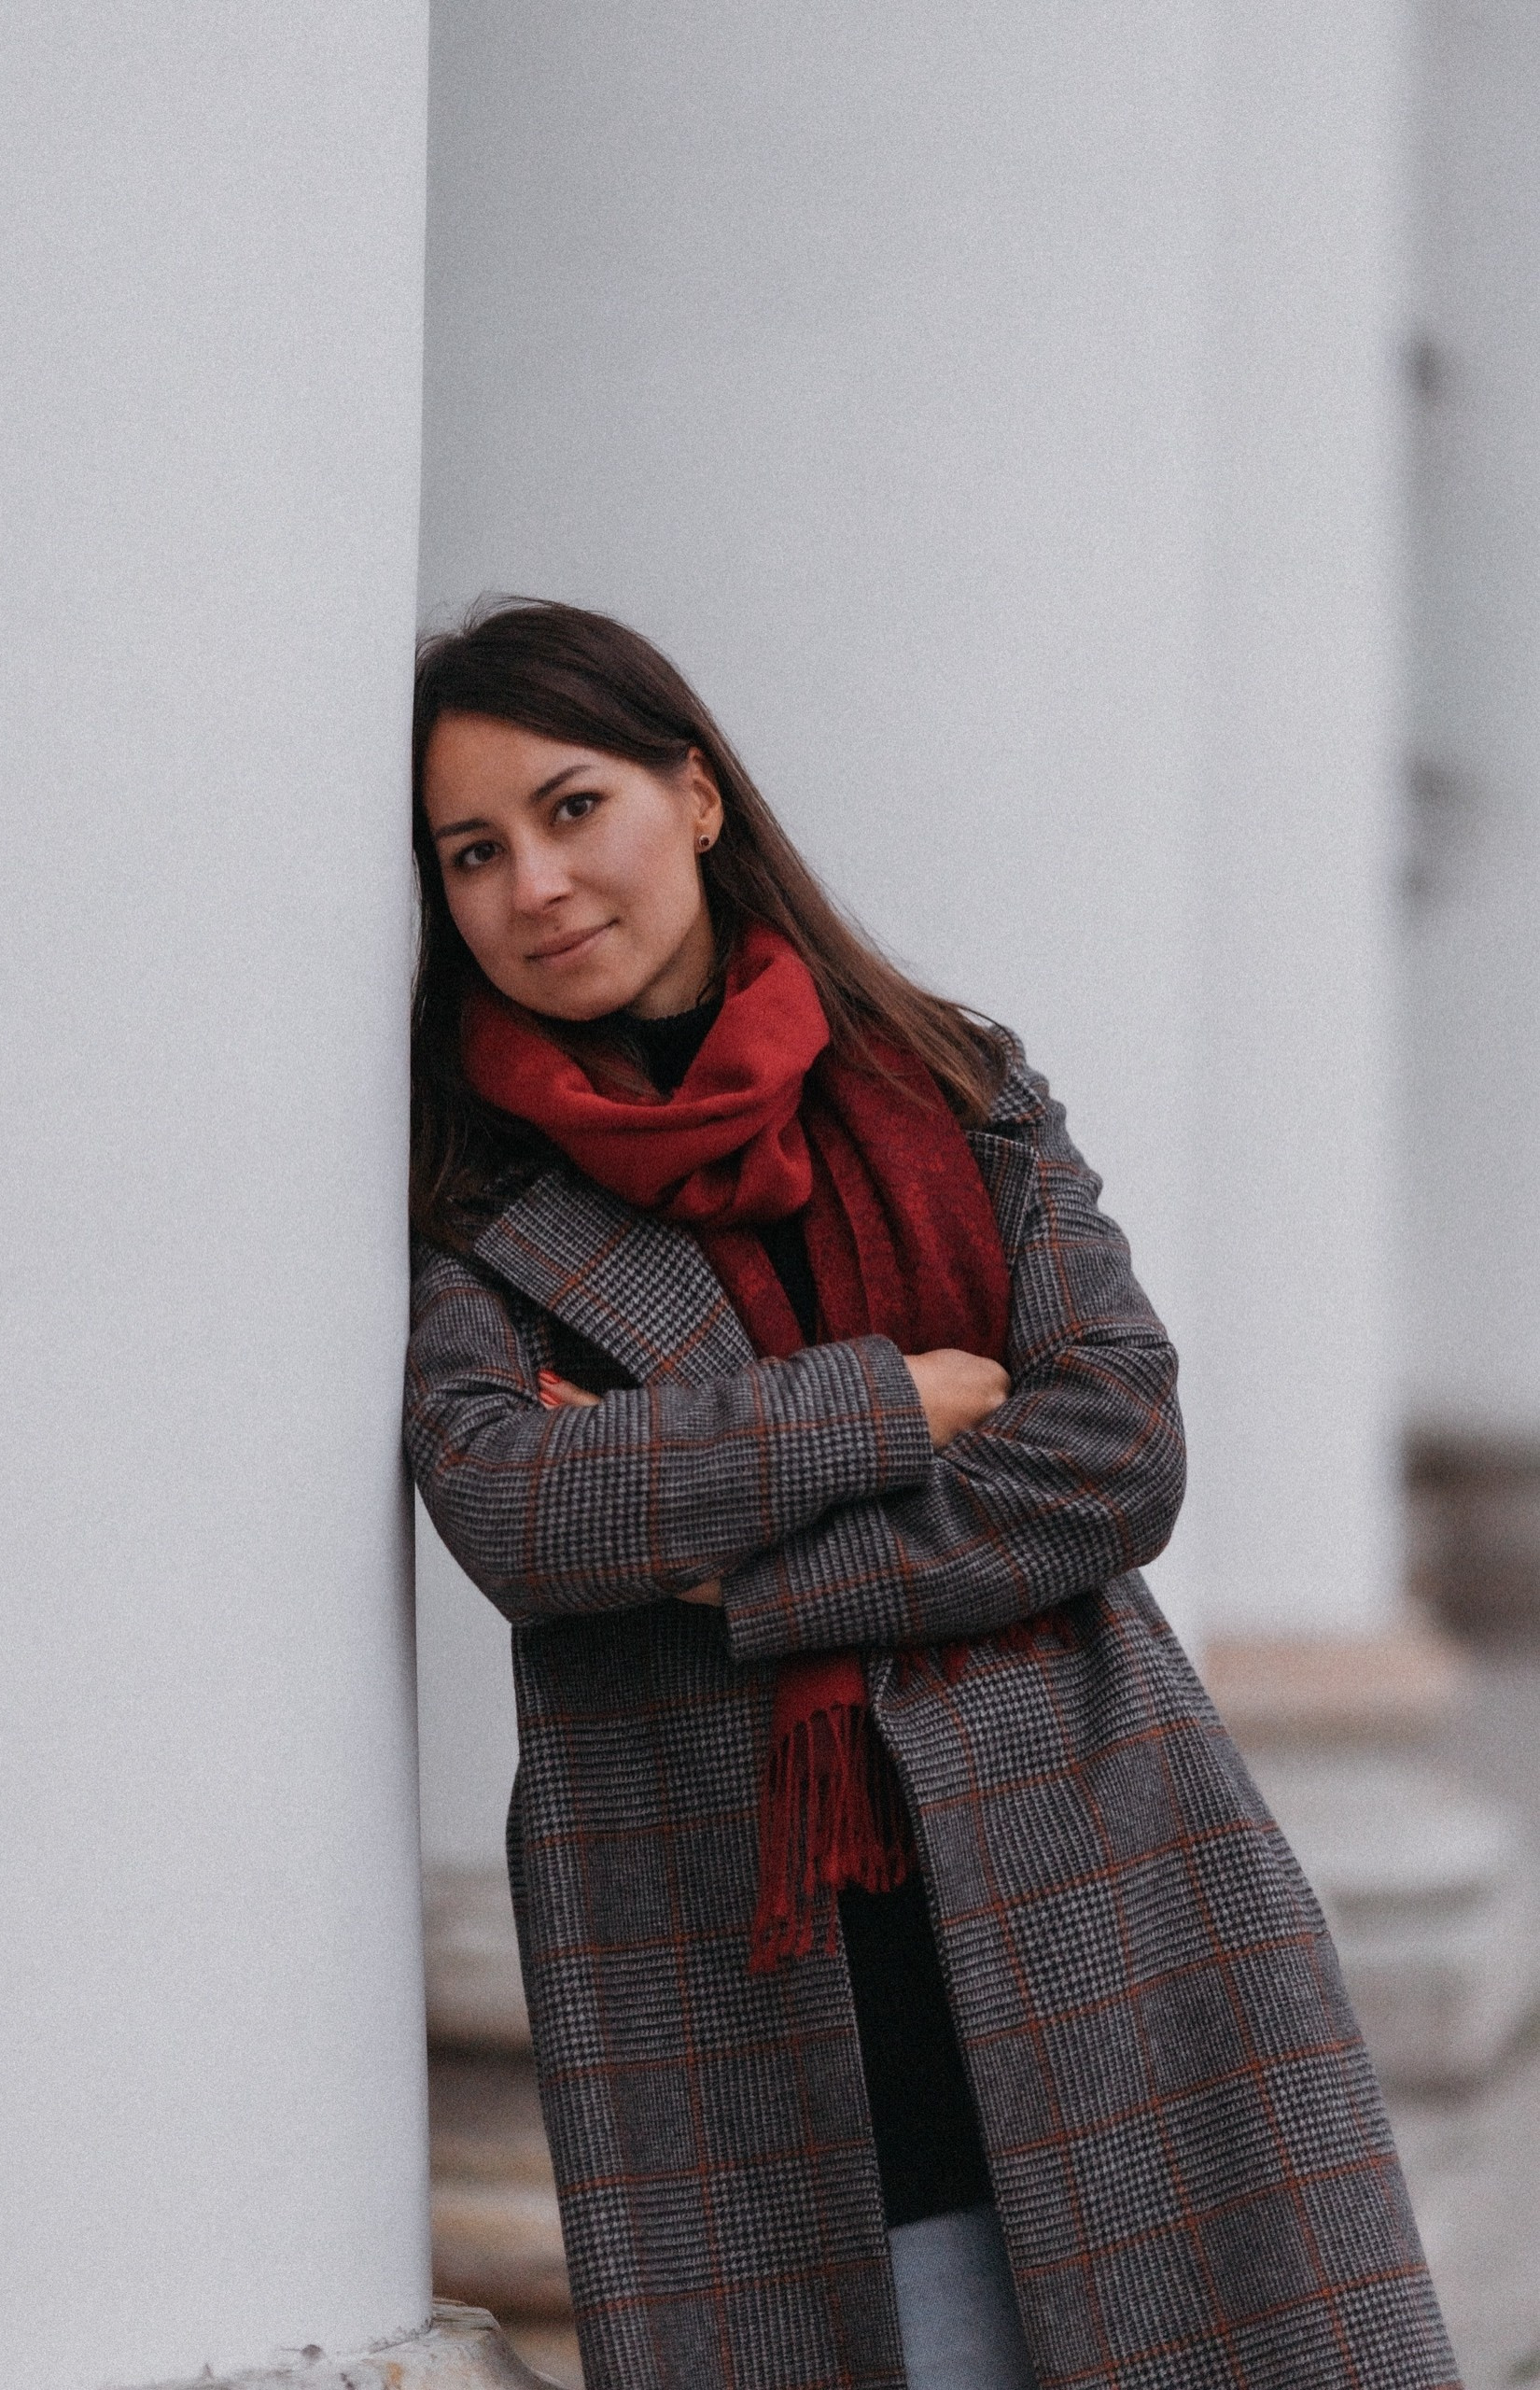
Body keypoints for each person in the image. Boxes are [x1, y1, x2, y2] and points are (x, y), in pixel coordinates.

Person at [403, 601, 1456, 2390]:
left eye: (573, 808)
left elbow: (1112, 1447)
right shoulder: (473, 1199)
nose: (536, 885)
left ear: (695, 797)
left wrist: (738, 1577)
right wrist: (884, 1398)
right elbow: (518, 1510)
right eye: (473, 853)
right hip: (727, 1934)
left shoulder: (949, 1084)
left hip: (1095, 1876)